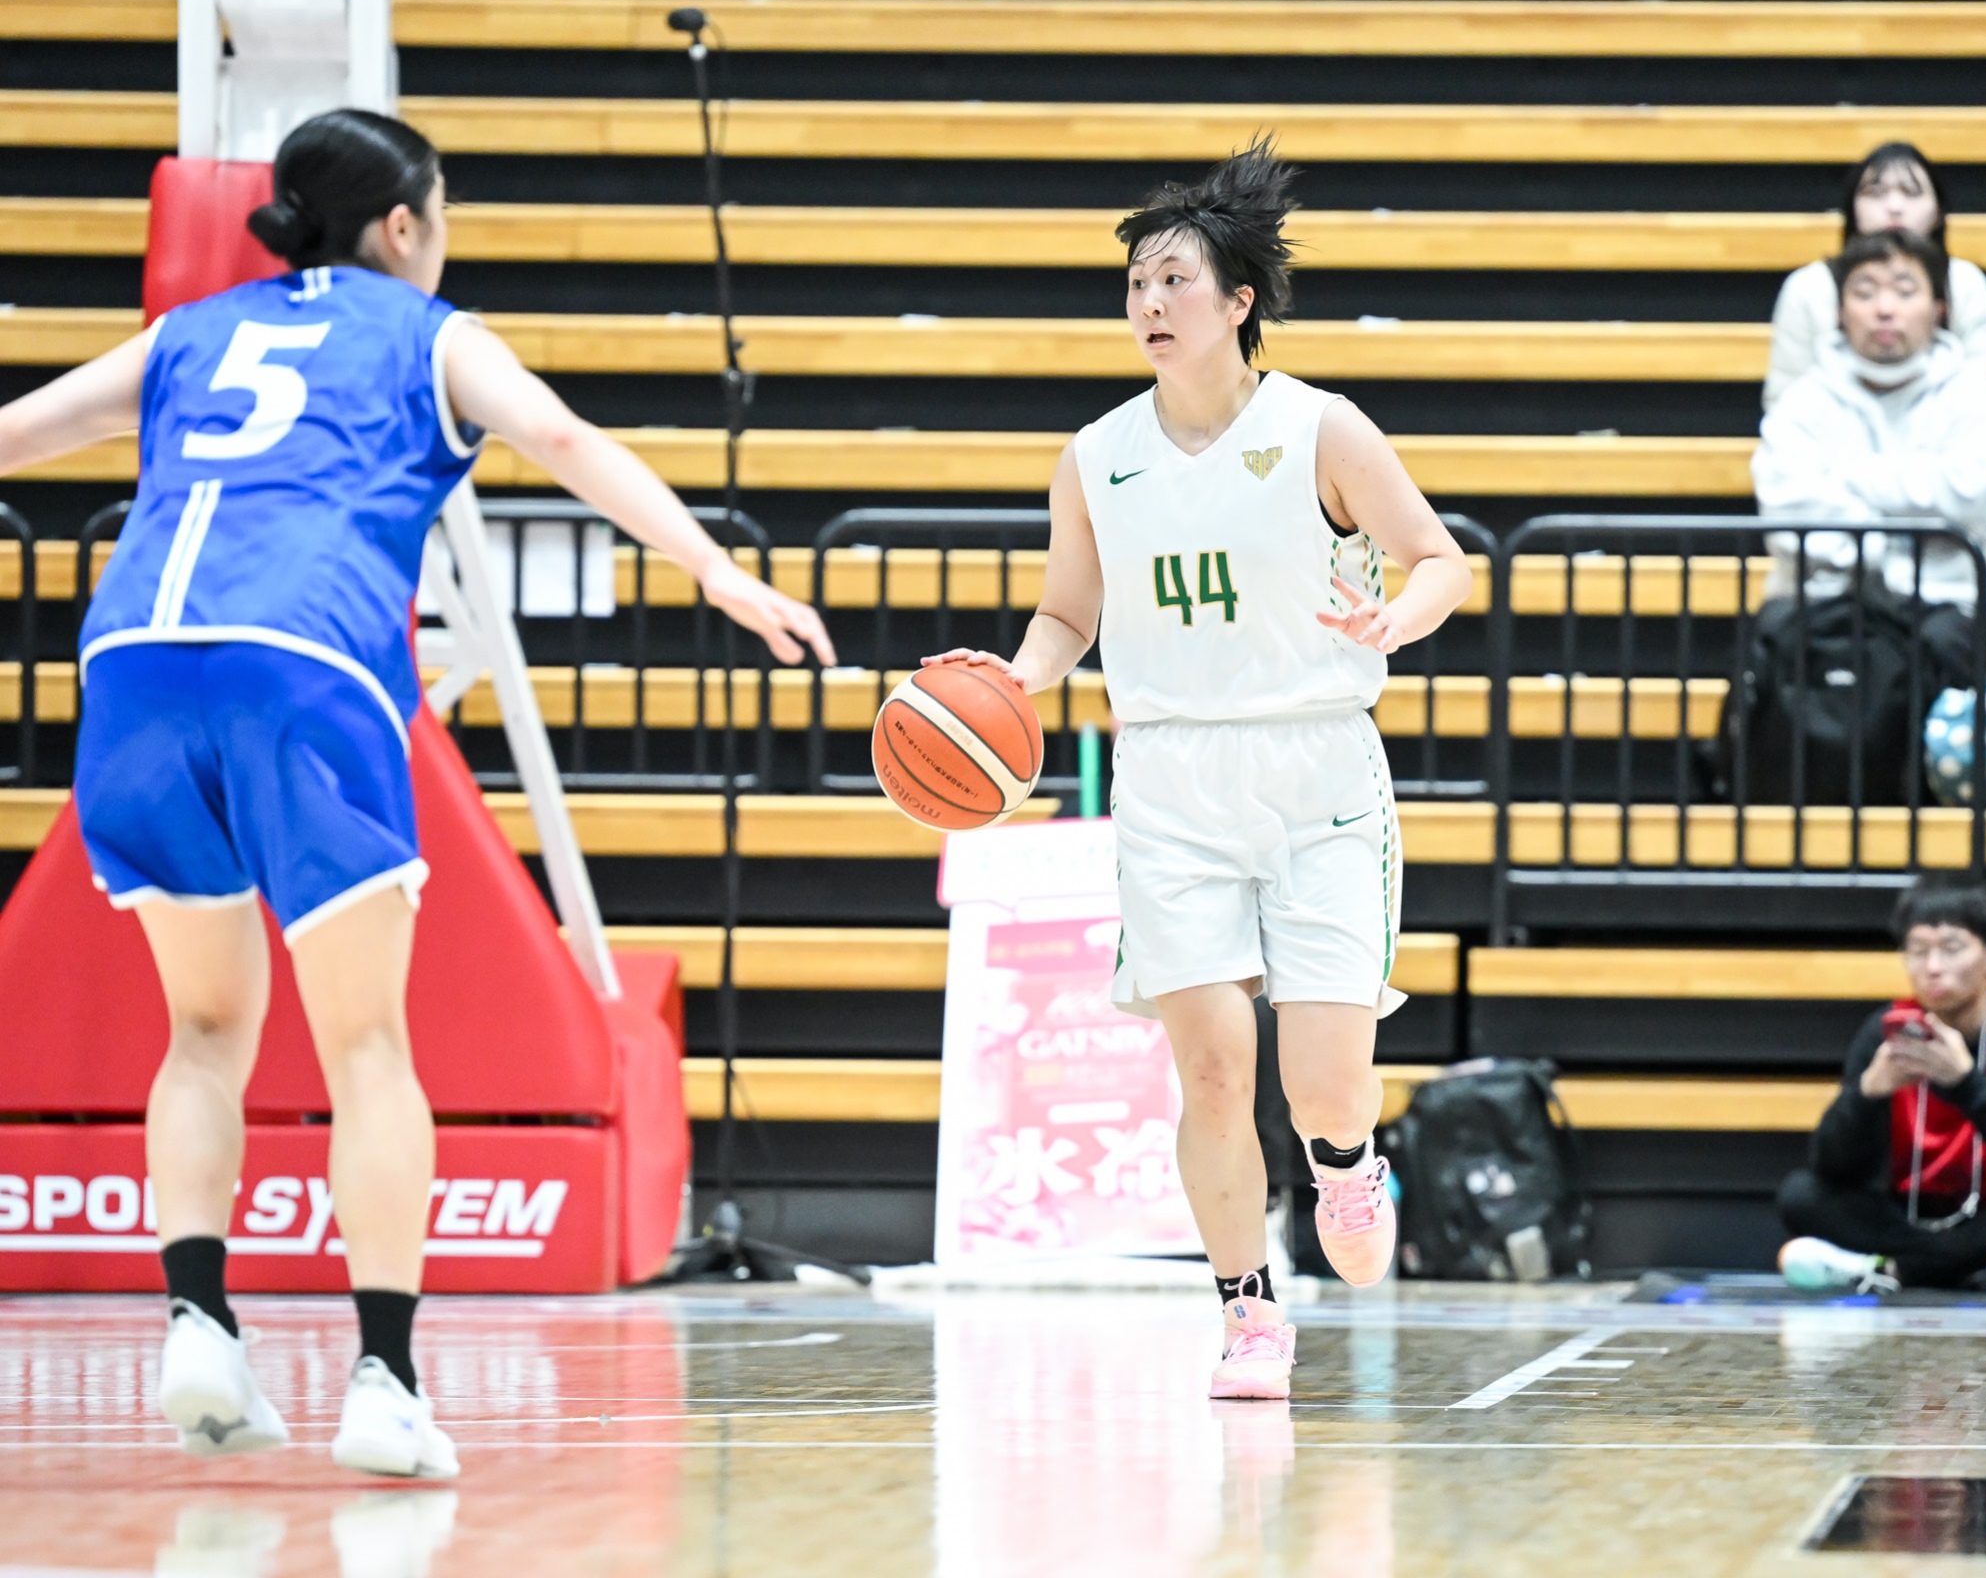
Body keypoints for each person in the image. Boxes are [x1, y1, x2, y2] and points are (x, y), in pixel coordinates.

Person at [0, 110, 834, 1475]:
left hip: (132, 661)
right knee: (367, 1049)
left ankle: (199, 1321)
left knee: (202, 1028)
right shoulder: (428, 332)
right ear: (403, 226)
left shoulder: (189, 334)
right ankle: (383, 1381)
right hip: (301, 659)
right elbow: (560, 436)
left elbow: (15, 433)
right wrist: (719, 570)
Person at [921, 139, 1472, 1401]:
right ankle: (1249, 1314)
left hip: (1317, 766)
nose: (1150, 303)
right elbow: (1067, 615)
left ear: (1238, 302)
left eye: (1175, 281)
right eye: (1136, 285)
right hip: (1171, 777)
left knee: (1319, 1081)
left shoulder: (1321, 427)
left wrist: (1396, 618)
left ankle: (1346, 1164)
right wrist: (1014, 677)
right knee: (1213, 1066)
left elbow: (1441, 558)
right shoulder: (1095, 456)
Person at [1776, 874, 1986, 1296]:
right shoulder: (1886, 1032)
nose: (1933, 967)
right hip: (1912, 1217)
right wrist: (1867, 1095)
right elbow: (1831, 1167)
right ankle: (1963, 1265)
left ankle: (1894, 1268)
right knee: (1800, 1195)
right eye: (1918, 951)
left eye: (1951, 949)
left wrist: (1967, 1083)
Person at [1752, 228, 1986, 651]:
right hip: (1827, 598)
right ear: (1841, 312)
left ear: (1937, 309)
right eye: (1864, 293)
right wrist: (1881, 546)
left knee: (1942, 647)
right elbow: (1785, 508)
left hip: (1952, 601)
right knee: (1774, 638)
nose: (1884, 309)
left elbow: (1967, 494)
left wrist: (1846, 480)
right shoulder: (1802, 403)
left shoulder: (1975, 398)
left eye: (1904, 291)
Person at [1764, 142, 1986, 412]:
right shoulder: (1809, 287)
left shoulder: (1965, 283)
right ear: (1852, 209)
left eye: (1911, 192)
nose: (1894, 207)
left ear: (1938, 212)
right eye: (1875, 193)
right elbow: (1784, 403)